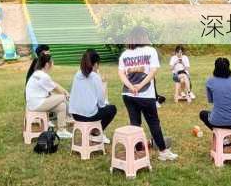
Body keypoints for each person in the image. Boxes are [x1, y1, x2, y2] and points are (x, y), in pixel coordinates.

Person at [117, 27, 178, 161]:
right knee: (153, 123)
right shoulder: (151, 51)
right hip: (145, 95)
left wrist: (131, 86)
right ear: (143, 37)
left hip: (128, 94)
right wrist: (140, 85)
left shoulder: (125, 54)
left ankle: (138, 151)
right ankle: (163, 152)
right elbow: (153, 71)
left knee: (135, 123)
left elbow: (121, 73)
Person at [69, 49, 117, 144]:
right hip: (88, 115)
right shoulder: (95, 76)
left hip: (75, 114)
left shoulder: (77, 74)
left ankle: (95, 132)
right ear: (95, 64)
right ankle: (97, 133)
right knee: (112, 109)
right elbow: (101, 102)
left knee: (99, 108)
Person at [25, 53, 73, 139]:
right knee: (62, 97)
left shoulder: (37, 73)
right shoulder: (43, 76)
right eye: (52, 62)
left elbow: (54, 84)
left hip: (33, 103)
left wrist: (65, 92)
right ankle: (71, 116)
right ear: (47, 64)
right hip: (37, 104)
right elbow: (57, 89)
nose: (53, 64)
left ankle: (61, 131)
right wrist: (67, 94)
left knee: (61, 106)